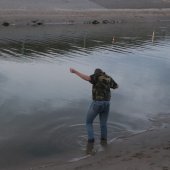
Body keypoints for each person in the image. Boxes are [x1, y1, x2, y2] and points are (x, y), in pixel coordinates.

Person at [70, 68, 118, 153]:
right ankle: (104, 141)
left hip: (97, 103)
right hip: (107, 103)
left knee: (88, 122)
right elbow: (116, 86)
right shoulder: (108, 78)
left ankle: (91, 142)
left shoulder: (97, 76)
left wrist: (75, 72)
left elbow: (87, 78)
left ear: (96, 73)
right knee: (103, 124)